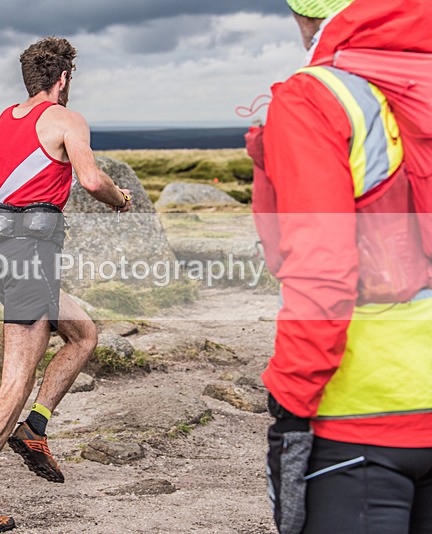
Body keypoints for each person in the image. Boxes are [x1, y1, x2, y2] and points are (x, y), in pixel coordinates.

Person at [0, 36, 132, 532]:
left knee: (83, 333)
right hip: (29, 259)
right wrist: (120, 198)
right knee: (17, 379)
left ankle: (34, 430)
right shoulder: (67, 119)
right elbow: (89, 180)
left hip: (2, 256)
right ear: (63, 79)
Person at [247, 0, 432, 532]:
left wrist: (291, 401)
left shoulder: (317, 97)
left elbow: (323, 277)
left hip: (360, 416)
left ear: (307, 14)